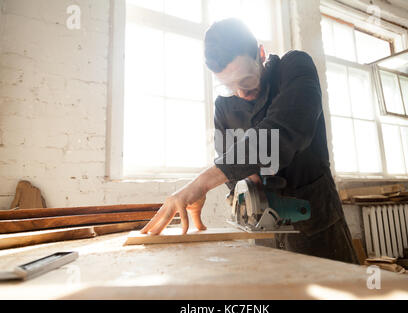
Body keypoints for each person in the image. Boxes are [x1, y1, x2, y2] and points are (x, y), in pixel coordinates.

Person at [141, 18, 359, 264]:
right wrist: (245, 185)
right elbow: (232, 171)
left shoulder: (295, 67)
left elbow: (282, 131)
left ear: (261, 53)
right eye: (229, 86)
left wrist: (200, 184)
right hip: (261, 230)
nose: (241, 93)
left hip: (315, 224)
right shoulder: (224, 105)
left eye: (246, 81)